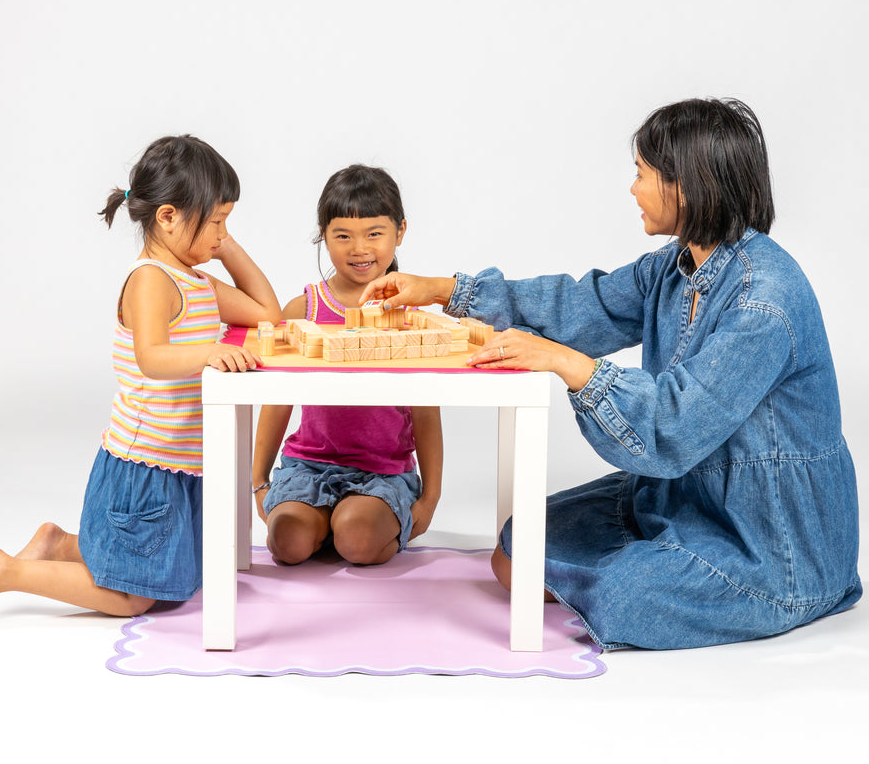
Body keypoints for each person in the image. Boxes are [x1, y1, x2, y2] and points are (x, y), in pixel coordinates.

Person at [360, 99, 861, 650]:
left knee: (624, 596)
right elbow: (579, 306)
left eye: (642, 173)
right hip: (683, 496)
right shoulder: (673, 267)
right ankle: (656, 557)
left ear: (686, 187)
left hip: (772, 544)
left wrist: (561, 360)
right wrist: (443, 289)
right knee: (515, 548)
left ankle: (720, 582)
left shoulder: (764, 301)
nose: (632, 188)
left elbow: (675, 426)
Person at [0, 135, 281, 628]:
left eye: (226, 223)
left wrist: (223, 243)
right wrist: (209, 351)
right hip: (145, 466)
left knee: (178, 577)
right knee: (133, 598)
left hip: (180, 463)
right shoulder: (151, 279)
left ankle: (58, 543)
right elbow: (151, 357)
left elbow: (266, 312)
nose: (221, 234)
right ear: (167, 217)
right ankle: (5, 571)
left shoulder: (196, 281)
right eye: (215, 222)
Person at [252, 164, 443, 566]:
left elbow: (426, 410)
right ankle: (322, 522)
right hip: (309, 464)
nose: (359, 249)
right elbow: (276, 398)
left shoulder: (413, 313)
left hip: (382, 471)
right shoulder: (304, 309)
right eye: (343, 236)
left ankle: (349, 525)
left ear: (400, 232)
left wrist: (430, 499)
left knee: (357, 541)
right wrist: (258, 480)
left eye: (374, 234)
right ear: (324, 235)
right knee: (287, 543)